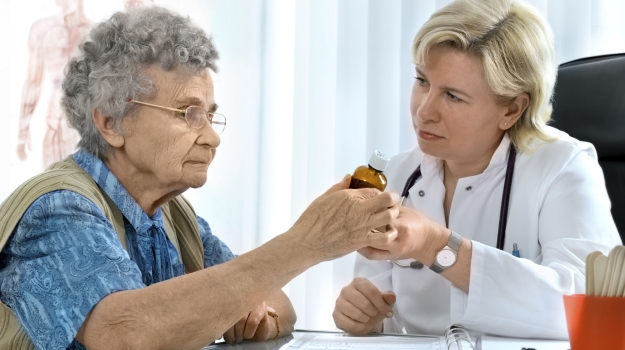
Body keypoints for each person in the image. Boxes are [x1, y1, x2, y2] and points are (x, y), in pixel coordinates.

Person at [0, 7, 400, 350]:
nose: (211, 137)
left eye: (210, 114)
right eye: (187, 114)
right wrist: (308, 241)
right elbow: (124, 334)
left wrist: (257, 313)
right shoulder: (57, 209)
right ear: (110, 122)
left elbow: (278, 301)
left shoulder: (171, 214)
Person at [333, 0, 621, 340]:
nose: (424, 111)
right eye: (422, 81)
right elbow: (386, 315)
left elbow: (591, 310)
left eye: (452, 96)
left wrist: (437, 246)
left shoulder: (564, 168)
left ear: (511, 109)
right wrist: (366, 316)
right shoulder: (398, 175)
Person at [16, 0, 91, 169]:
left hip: (88, 117)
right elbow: (33, 81)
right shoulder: (42, 29)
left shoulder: (92, 30)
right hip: (58, 113)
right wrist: (23, 130)